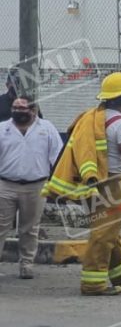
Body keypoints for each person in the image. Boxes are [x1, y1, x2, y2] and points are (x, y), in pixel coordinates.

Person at [44, 72, 121, 296]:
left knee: (108, 231)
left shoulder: (91, 118)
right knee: (103, 235)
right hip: (112, 185)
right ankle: (93, 283)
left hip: (92, 184)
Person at [0, 96, 63, 279]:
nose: (17, 111)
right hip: (5, 185)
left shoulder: (47, 129)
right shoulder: (3, 129)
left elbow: (57, 157)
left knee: (29, 228)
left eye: (22, 108)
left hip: (37, 186)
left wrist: (55, 184)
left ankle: (26, 264)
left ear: (33, 110)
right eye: (15, 108)